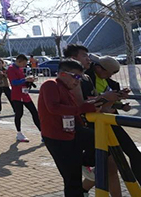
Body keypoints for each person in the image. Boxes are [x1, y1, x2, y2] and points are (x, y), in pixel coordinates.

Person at [38, 58, 118, 197]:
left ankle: (84, 162)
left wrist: (100, 104)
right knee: (72, 180)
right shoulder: (50, 85)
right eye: (75, 77)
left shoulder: (67, 90)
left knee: (102, 141)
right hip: (57, 138)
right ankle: (80, 164)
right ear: (63, 74)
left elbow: (76, 110)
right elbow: (54, 108)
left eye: (80, 78)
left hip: (73, 132)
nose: (78, 81)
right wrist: (83, 108)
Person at [85, 55, 140, 184]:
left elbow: (110, 102)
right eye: (109, 73)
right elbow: (90, 103)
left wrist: (121, 103)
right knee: (108, 166)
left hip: (109, 121)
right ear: (98, 68)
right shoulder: (86, 80)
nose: (110, 76)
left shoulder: (108, 81)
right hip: (96, 125)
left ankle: (84, 188)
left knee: (130, 156)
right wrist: (108, 99)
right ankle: (83, 187)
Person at [7, 54, 42, 142]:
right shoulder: (11, 69)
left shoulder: (19, 68)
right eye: (23, 63)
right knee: (19, 114)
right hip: (17, 95)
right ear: (19, 61)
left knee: (34, 112)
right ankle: (19, 133)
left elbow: (22, 80)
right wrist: (25, 79)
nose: (24, 65)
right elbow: (14, 82)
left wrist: (30, 81)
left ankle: (42, 133)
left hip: (25, 94)